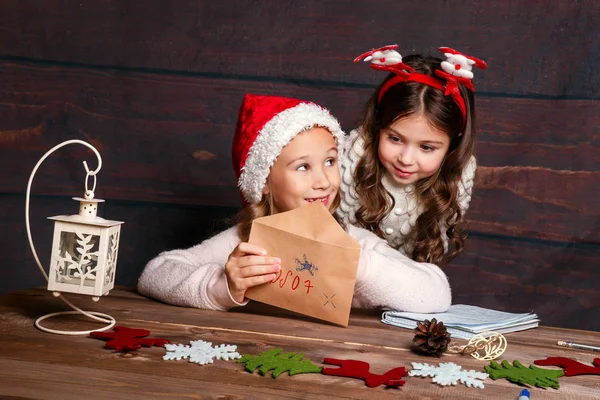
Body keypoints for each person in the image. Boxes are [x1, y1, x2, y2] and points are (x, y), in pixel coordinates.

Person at [138, 93, 451, 313]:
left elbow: (436, 292)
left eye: (330, 162)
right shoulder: (247, 243)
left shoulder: (352, 243)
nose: (323, 181)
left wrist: (363, 268)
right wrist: (223, 286)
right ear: (263, 183)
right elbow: (156, 273)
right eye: (303, 167)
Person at [338, 45, 487, 265]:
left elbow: (422, 258)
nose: (406, 159)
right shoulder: (350, 160)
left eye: (427, 148)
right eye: (395, 139)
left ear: (452, 143)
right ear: (379, 125)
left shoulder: (454, 178)